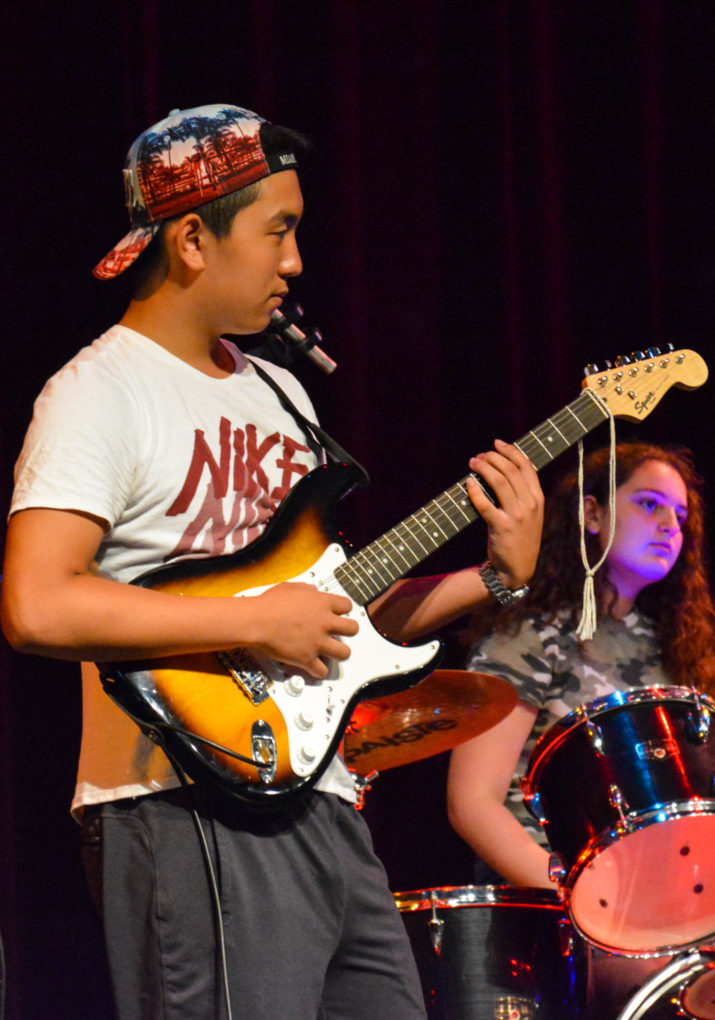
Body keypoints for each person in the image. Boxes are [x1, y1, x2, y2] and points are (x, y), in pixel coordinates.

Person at [0, 103, 544, 1020]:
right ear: (190, 240)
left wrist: (494, 579)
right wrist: (254, 618)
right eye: (277, 231)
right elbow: (37, 605)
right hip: (181, 800)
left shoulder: (281, 392)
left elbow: (334, 616)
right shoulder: (100, 391)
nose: (294, 262)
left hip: (322, 800)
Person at [447, 441, 715, 1014]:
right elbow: (473, 801)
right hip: (551, 928)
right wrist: (587, 902)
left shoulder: (682, 654)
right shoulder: (535, 632)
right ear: (592, 515)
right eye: (648, 504)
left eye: (681, 514)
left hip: (670, 921)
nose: (671, 525)